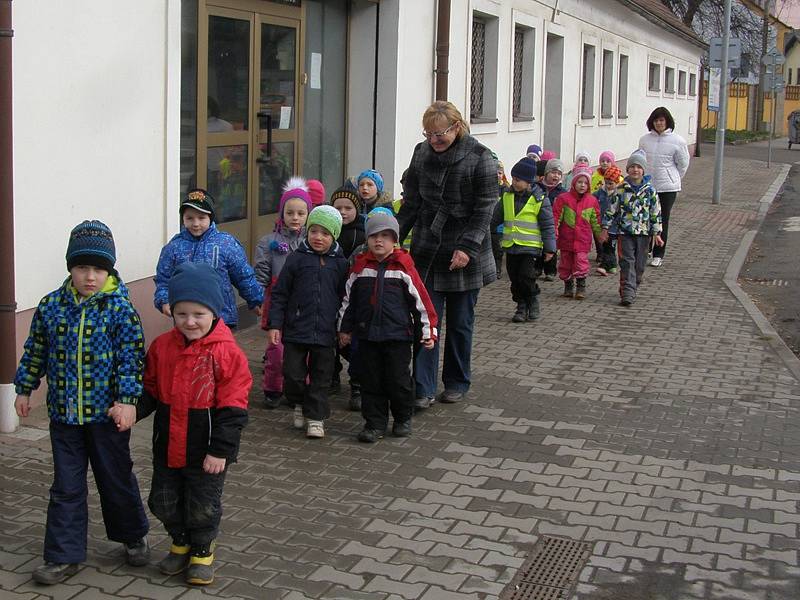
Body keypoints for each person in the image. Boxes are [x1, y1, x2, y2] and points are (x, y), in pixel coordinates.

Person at [14, 221, 149, 585]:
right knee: (66, 486)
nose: (90, 276)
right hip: (64, 417)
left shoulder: (120, 309)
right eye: (82, 268)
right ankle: (63, 555)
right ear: (70, 267)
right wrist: (24, 388)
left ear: (110, 270)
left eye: (99, 269)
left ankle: (132, 535)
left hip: (107, 417)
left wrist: (127, 401)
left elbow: (131, 358)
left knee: (115, 478)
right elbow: (35, 351)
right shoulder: (51, 306)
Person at [128, 262, 250, 586]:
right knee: (163, 501)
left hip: (206, 450)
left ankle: (202, 550)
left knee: (202, 506)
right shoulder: (162, 348)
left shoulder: (226, 353)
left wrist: (221, 451)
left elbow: (234, 407)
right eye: (182, 314)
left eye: (198, 314)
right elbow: (150, 390)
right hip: (167, 445)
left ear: (214, 312)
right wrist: (132, 411)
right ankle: (179, 540)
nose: (190, 321)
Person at [395, 101, 497, 409]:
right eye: (429, 133)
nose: (434, 140)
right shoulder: (421, 153)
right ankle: (423, 388)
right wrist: (391, 237)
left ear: (457, 127)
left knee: (460, 322)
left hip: (466, 247)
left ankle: (456, 381)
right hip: (428, 247)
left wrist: (467, 247)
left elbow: (485, 209)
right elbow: (411, 201)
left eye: (440, 133)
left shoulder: (481, 157)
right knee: (426, 320)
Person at [338, 212, 438, 443]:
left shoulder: (404, 268)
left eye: (385, 236)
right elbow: (348, 302)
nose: (379, 241)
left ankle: (403, 417)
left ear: (395, 240)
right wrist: (344, 329)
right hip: (367, 336)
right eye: (374, 236)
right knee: (371, 381)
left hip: (398, 337)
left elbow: (422, 303)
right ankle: (374, 423)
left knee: (398, 380)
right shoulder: (361, 268)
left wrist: (428, 331)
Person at [267, 205, 348, 439]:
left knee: (322, 377)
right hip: (296, 329)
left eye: (325, 233)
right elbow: (280, 293)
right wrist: (275, 324)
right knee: (292, 374)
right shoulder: (296, 259)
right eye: (314, 231)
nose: (318, 238)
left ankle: (316, 418)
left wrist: (344, 328)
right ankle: (299, 402)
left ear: (334, 235)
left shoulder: (340, 264)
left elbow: (346, 298)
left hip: (325, 331)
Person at [154, 189, 263, 329]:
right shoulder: (174, 247)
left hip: (221, 318)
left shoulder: (225, 243)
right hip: (188, 320)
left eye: (201, 218)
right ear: (183, 219)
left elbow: (243, 275)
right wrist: (164, 300)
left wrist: (255, 299)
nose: (195, 223)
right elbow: (163, 279)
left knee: (219, 351)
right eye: (189, 218)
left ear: (210, 218)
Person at [254, 178, 312, 409]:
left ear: (308, 214)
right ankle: (273, 387)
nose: (295, 217)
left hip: (304, 305)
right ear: (282, 213)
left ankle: (299, 388)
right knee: (276, 350)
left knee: (302, 350)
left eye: (300, 213)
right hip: (277, 303)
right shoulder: (269, 242)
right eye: (290, 212)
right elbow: (261, 272)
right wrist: (258, 297)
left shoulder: (312, 241)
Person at [491, 157, 555, 322]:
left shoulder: (540, 199)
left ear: (529, 181)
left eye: (518, 179)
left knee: (526, 277)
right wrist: (483, 230)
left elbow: (548, 226)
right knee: (514, 279)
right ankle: (520, 305)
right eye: (513, 178)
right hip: (511, 246)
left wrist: (550, 249)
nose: (514, 182)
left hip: (530, 247)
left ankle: (531, 300)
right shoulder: (507, 196)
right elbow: (495, 218)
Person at [601, 150, 663, 306]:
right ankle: (627, 292)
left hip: (644, 234)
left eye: (639, 167)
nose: (635, 170)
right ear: (627, 169)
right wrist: (605, 228)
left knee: (639, 265)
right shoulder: (621, 189)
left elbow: (655, 212)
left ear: (643, 170)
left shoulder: (650, 191)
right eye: (632, 167)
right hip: (625, 233)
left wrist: (656, 233)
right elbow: (611, 209)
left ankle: (633, 285)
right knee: (627, 262)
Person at [638, 106, 690, 267]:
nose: (659, 123)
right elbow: (640, 161)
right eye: (656, 120)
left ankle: (658, 254)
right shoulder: (644, 140)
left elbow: (683, 164)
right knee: (644, 218)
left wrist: (672, 178)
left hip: (667, 188)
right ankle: (645, 249)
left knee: (662, 220)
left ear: (667, 121)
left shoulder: (678, 141)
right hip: (647, 186)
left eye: (661, 120)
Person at [330, 185, 367, 408]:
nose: (343, 212)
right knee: (330, 339)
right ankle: (332, 376)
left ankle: (358, 384)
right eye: (338, 208)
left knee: (351, 341)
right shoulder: (326, 231)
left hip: (352, 294)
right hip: (330, 292)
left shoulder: (362, 235)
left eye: (348, 208)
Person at [552, 164, 602, 300]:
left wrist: (600, 235)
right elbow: (556, 217)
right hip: (566, 239)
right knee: (565, 264)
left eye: (585, 183)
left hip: (583, 240)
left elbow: (596, 220)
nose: (582, 185)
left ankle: (581, 286)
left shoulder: (592, 201)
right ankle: (568, 285)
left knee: (581, 262)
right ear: (574, 183)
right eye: (579, 182)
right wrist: (554, 233)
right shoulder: (563, 199)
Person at [533, 158, 566, 282]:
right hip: (538, 221)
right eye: (553, 172)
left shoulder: (562, 192)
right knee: (538, 246)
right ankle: (537, 267)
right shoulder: (537, 188)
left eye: (559, 174)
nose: (556, 176)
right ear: (546, 173)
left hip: (554, 223)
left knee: (552, 246)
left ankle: (550, 270)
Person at [593, 165, 623, 276]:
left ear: (616, 182)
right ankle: (612, 265)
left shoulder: (619, 194)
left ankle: (605, 265)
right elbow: (592, 198)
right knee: (605, 245)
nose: (608, 186)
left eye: (611, 183)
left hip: (615, 226)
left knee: (610, 245)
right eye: (607, 183)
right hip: (603, 223)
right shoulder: (600, 192)